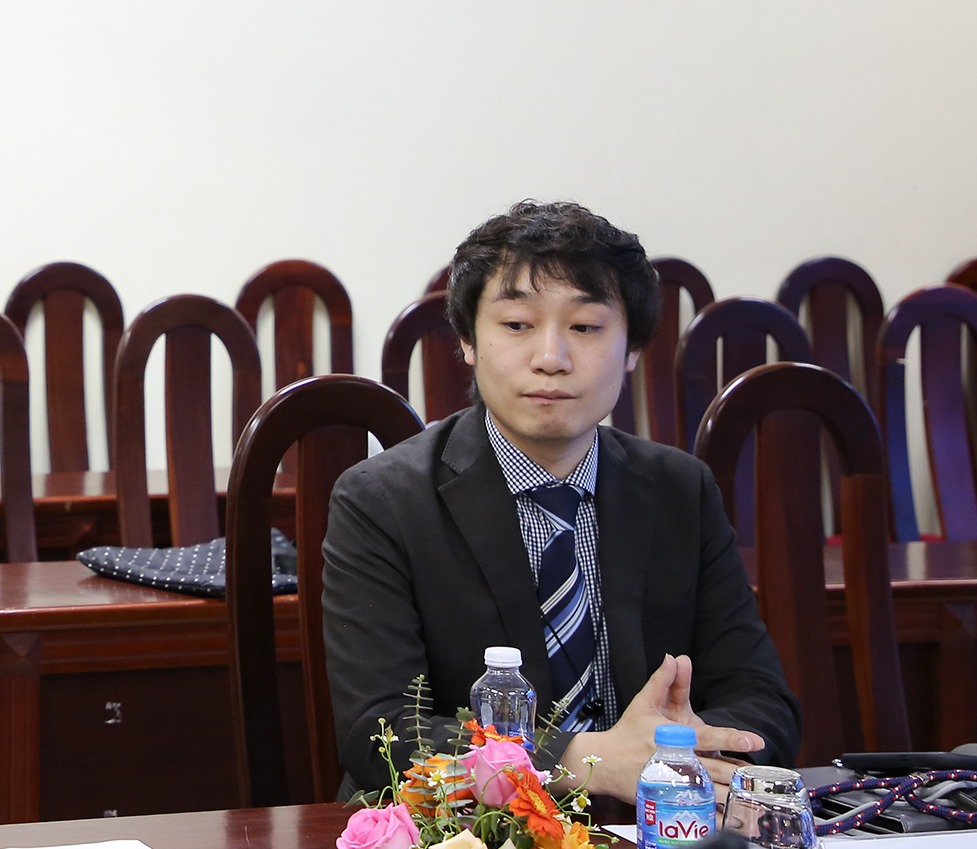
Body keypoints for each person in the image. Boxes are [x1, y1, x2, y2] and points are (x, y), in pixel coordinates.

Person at [321, 201, 800, 804]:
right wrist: (583, 762)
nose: (551, 357)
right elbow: (380, 733)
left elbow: (762, 700)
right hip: (463, 838)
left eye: (586, 327)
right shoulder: (382, 499)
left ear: (632, 349)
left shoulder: (681, 489)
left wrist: (679, 753)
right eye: (517, 324)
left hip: (651, 826)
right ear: (468, 341)